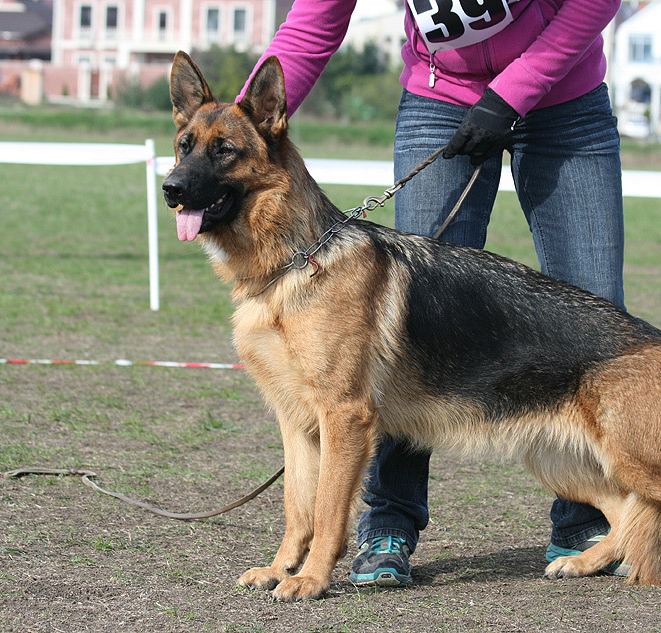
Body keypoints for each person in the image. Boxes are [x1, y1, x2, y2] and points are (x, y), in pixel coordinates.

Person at [240, 0, 627, 586]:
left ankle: (588, 521)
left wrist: (511, 93)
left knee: (595, 311)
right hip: (440, 98)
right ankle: (388, 524)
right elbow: (313, 24)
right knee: (407, 324)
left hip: (565, 93)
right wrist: (234, 126)